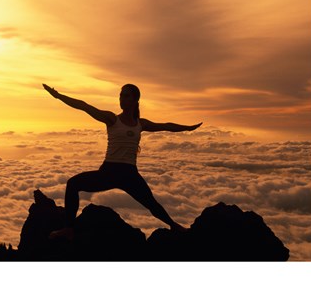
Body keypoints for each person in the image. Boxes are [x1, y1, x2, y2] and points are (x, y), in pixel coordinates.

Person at [42, 83, 202, 240]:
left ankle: (174, 226)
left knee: (151, 203)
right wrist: (58, 96)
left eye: (126, 96)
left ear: (135, 101)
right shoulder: (112, 119)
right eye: (121, 95)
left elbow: (166, 126)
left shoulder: (141, 123)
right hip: (108, 172)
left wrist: (187, 128)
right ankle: (68, 229)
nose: (122, 98)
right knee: (73, 184)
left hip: (129, 174)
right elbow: (84, 106)